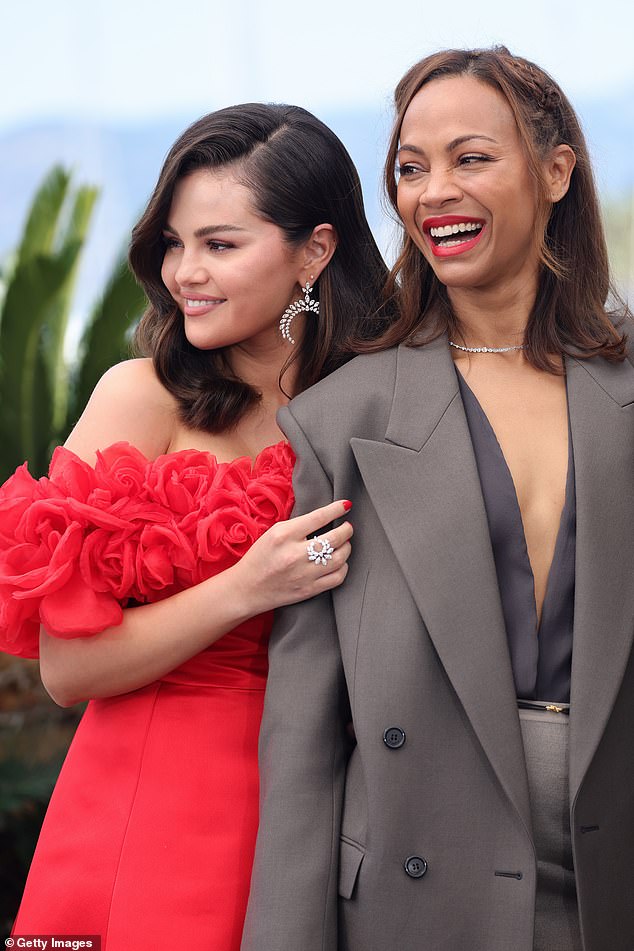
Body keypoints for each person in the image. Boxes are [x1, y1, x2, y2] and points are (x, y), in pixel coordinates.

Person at [242, 48, 634, 951]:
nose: (433, 193)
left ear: (556, 171)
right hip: (415, 891)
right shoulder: (340, 421)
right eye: (410, 169)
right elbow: (301, 734)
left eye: (470, 158)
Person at [2, 103, 391, 950]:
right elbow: (68, 670)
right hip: (140, 814)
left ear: (314, 252)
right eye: (175, 244)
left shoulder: (382, 405)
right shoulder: (139, 395)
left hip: (322, 824)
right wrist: (247, 586)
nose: (186, 272)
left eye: (220, 244)